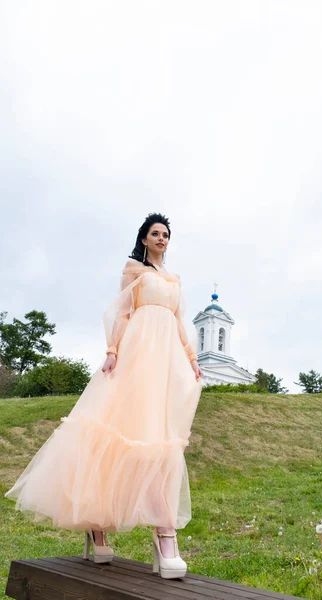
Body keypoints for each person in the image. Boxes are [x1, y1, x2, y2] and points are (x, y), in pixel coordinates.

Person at [4, 212, 203, 579]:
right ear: (144, 239)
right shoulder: (134, 270)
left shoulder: (174, 280)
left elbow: (178, 321)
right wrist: (112, 350)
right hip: (137, 354)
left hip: (167, 360)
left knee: (161, 439)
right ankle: (97, 530)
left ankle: (164, 534)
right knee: (117, 430)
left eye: (166, 235)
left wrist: (191, 359)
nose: (161, 239)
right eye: (155, 234)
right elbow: (123, 313)